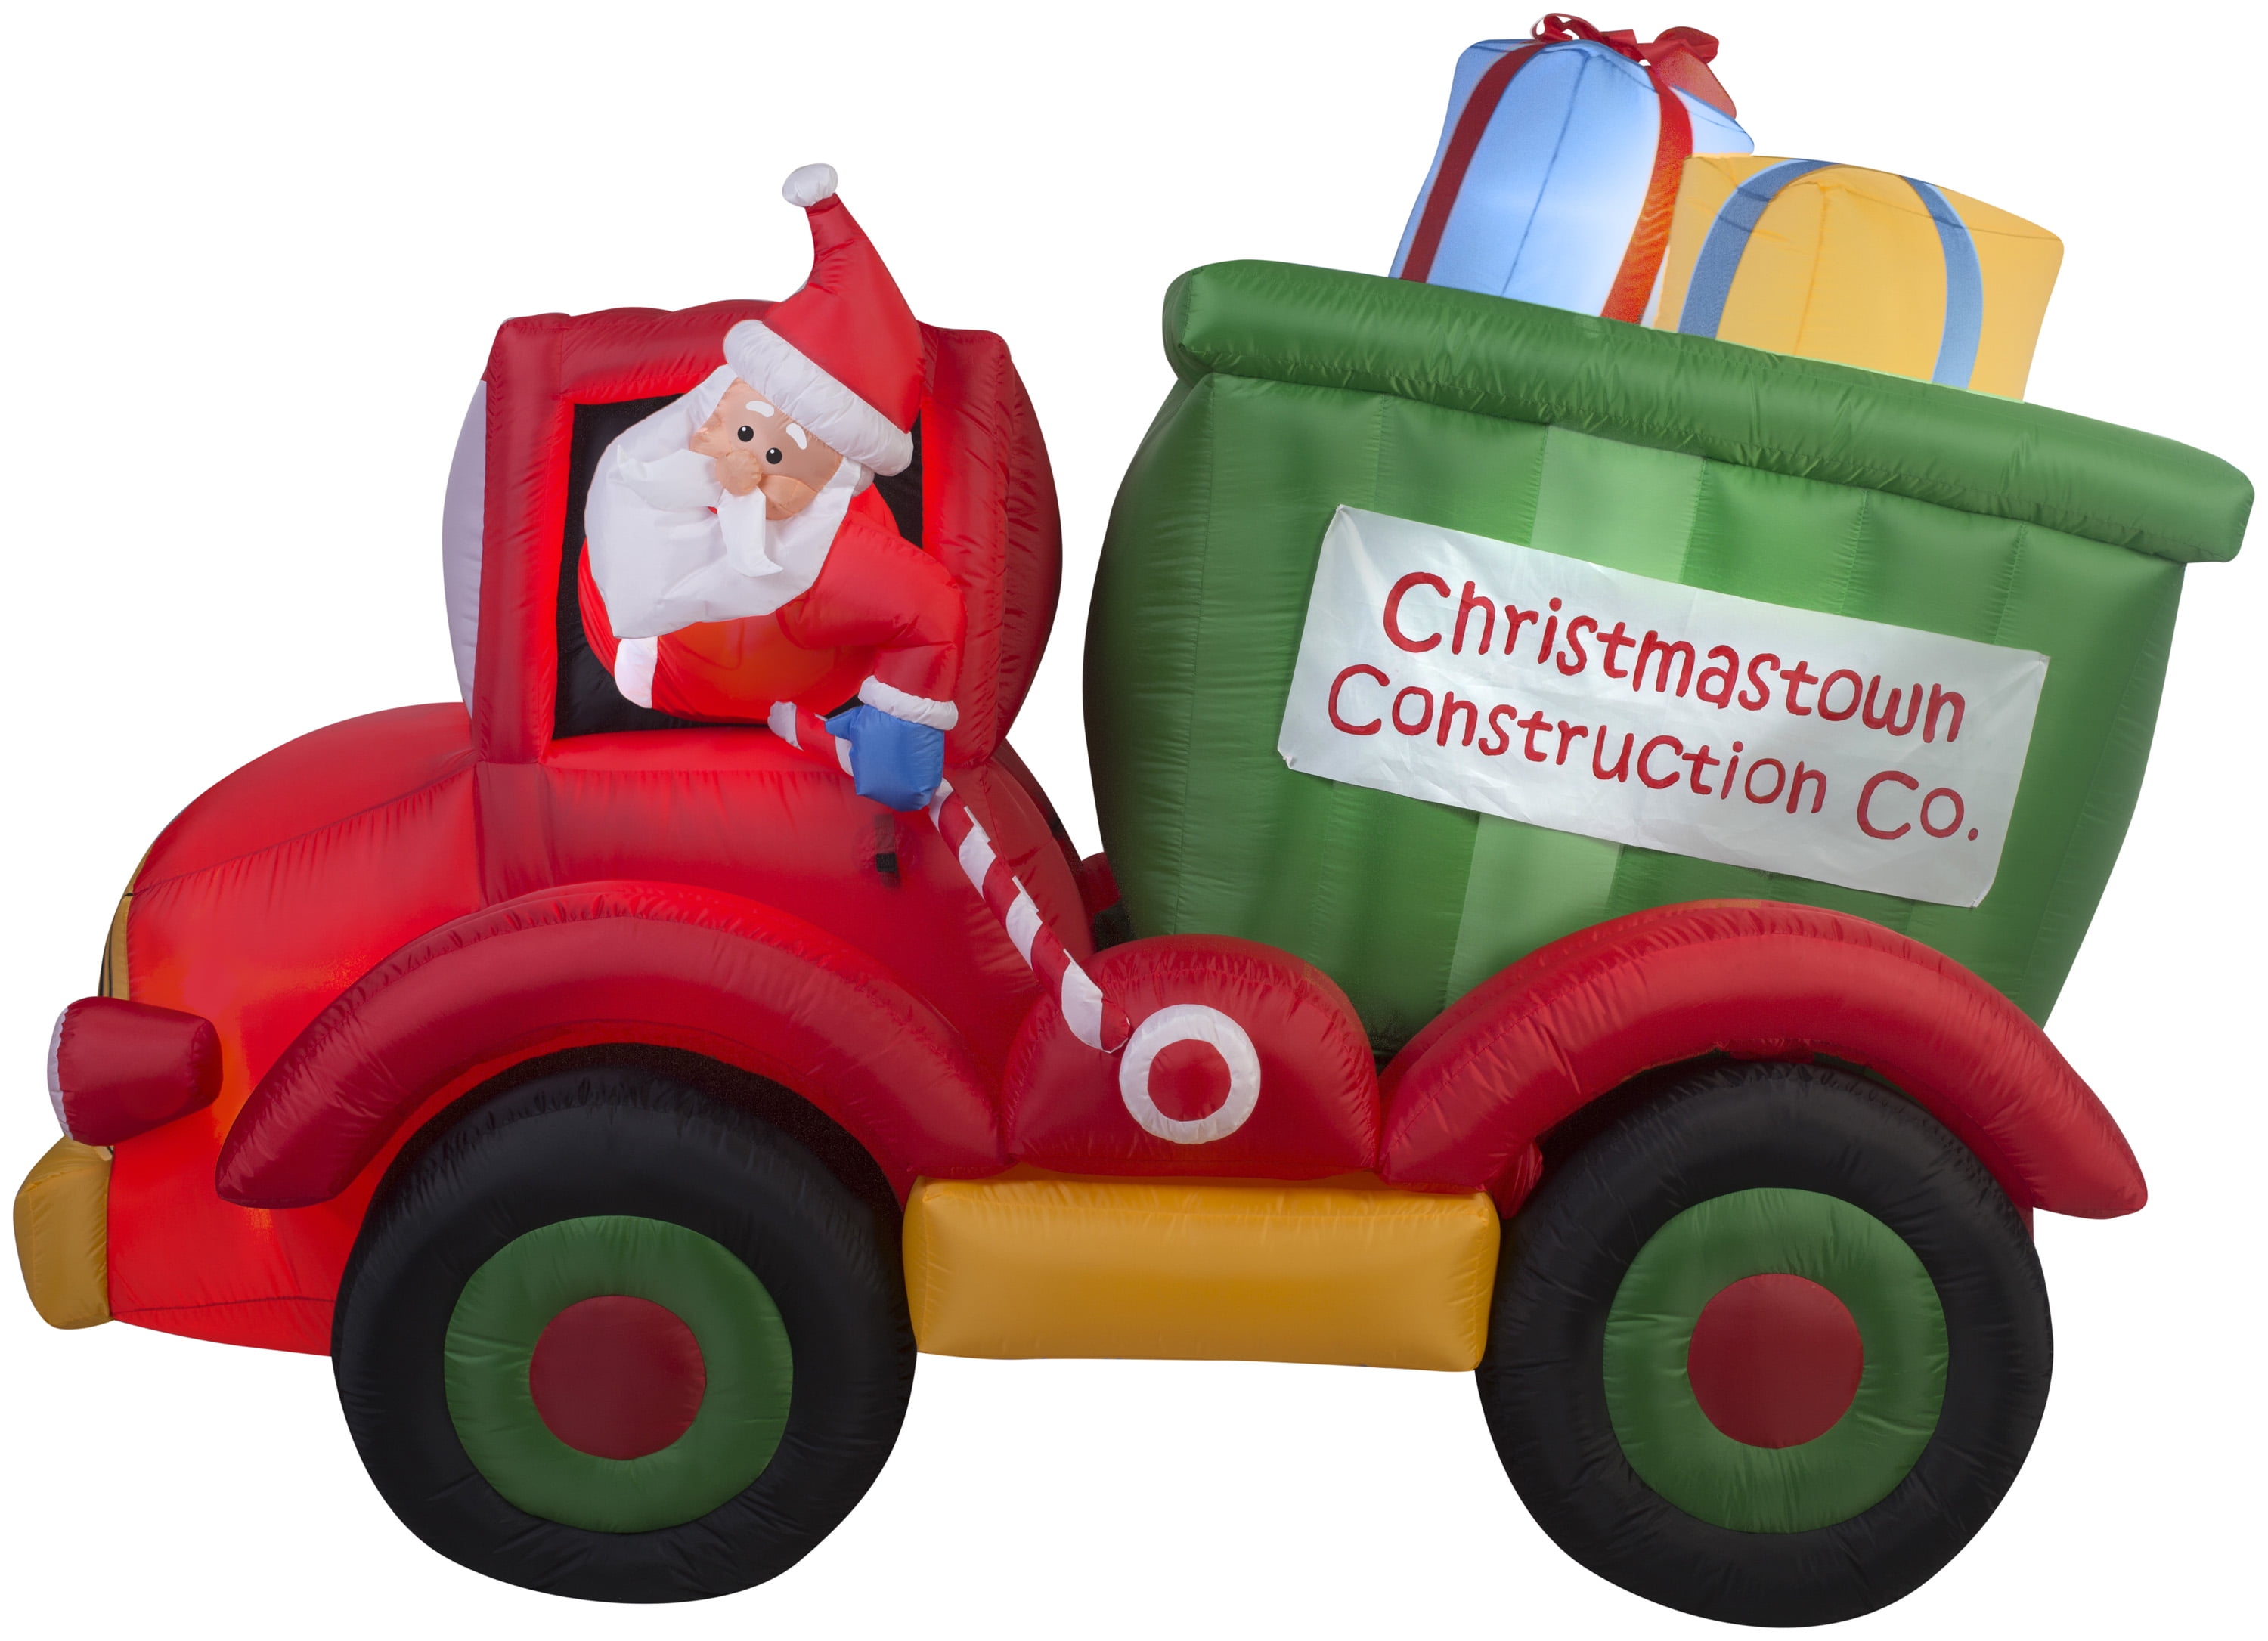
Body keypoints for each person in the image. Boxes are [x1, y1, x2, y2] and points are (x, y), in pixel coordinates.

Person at [580, 163, 963, 811]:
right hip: (644, 659)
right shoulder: (659, 456)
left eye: (780, 453)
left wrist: (895, 755)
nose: (749, 464)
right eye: (747, 430)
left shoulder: (832, 551)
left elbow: (929, 611)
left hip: (796, 680)